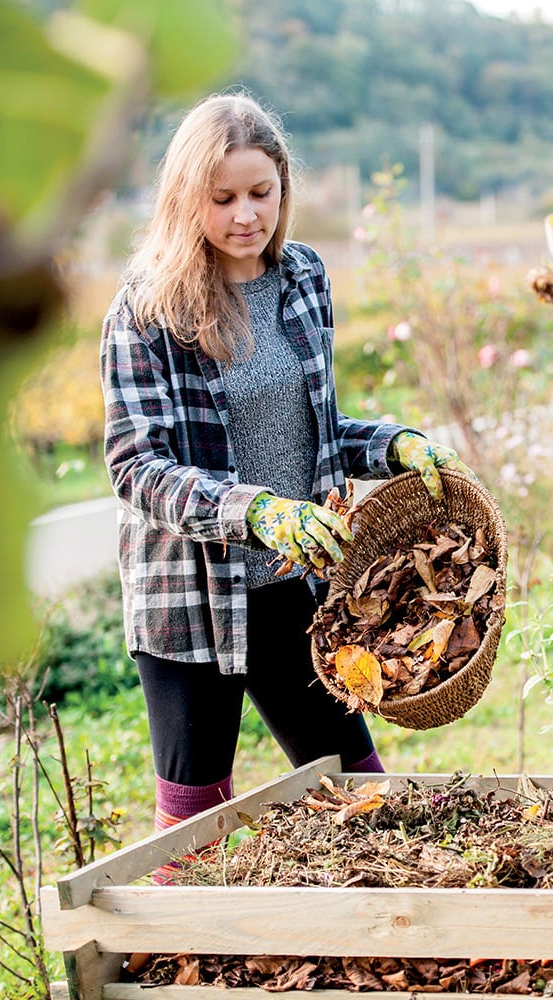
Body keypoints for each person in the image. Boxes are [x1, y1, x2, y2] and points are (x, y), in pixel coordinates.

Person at [100, 92, 474, 875]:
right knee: (193, 830)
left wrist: (392, 442)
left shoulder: (303, 277)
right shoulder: (147, 309)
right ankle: (178, 973)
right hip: (193, 604)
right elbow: (136, 466)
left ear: (284, 187)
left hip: (294, 592)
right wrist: (256, 512)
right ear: (185, 197)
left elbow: (312, 432)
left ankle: (381, 935)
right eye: (223, 197)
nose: (246, 216)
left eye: (261, 193)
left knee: (361, 792)